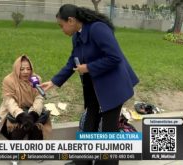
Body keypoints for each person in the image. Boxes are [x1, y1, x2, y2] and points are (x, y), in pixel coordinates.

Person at [41, 4, 139, 165]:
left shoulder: (97, 29)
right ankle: (82, 161)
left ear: (71, 20)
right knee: (89, 122)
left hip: (114, 86)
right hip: (95, 86)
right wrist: (53, 81)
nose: (61, 29)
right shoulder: (77, 36)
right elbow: (73, 61)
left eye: (61, 25)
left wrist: (88, 67)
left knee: (108, 131)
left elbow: (115, 57)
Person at [0, 55, 52, 141]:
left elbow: (39, 97)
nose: (26, 72)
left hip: (33, 109)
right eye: (22, 69)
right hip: (13, 111)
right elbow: (9, 100)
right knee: (19, 130)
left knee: (36, 129)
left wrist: (33, 114)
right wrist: (20, 115)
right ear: (16, 69)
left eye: (28, 69)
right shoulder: (8, 80)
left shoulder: (36, 79)